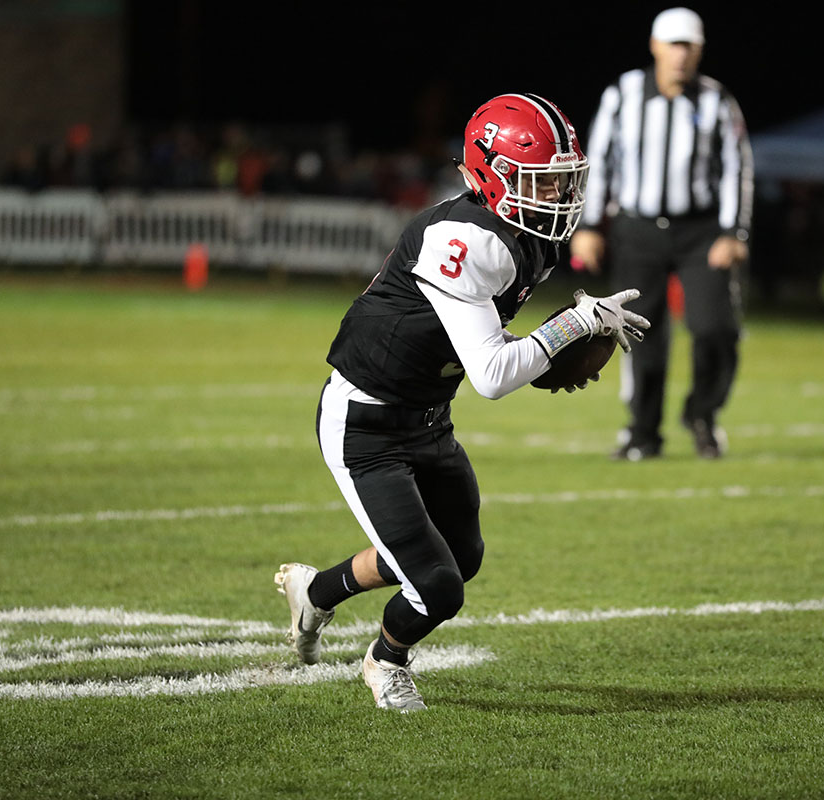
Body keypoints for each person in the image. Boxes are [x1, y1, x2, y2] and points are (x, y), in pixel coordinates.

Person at [273, 93, 649, 713]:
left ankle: (317, 590)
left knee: (461, 555)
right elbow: (494, 374)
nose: (556, 194)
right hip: (366, 424)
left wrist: (569, 331)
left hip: (426, 416)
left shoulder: (530, 236)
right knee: (438, 587)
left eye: (561, 180)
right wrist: (573, 327)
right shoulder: (464, 238)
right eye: (541, 180)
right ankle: (385, 662)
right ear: (491, 174)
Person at [570, 6, 753, 461]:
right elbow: (599, 161)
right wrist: (590, 225)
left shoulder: (717, 100)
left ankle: (702, 414)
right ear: (654, 46)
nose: (680, 54)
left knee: (715, 328)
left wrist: (735, 232)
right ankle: (642, 431)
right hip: (638, 228)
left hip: (701, 231)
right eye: (672, 44)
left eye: (688, 45)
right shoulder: (624, 93)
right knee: (638, 334)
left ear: (700, 50)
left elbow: (738, 169)